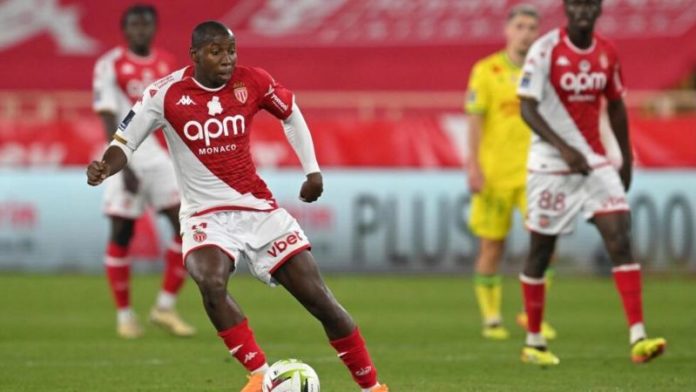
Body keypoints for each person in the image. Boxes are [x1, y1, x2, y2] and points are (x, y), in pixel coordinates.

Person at [87, 21, 388, 392]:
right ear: (195, 55)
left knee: (320, 301)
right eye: (216, 52)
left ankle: (373, 387)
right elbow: (125, 141)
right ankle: (260, 374)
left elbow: (290, 113)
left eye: (231, 51)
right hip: (204, 215)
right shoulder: (164, 94)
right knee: (210, 282)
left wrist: (312, 171)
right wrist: (106, 165)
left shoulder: (253, 81)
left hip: (258, 211)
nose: (226, 59)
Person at [516, 0, 666, 365]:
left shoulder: (607, 52)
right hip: (551, 165)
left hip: (595, 163)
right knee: (540, 251)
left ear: (598, 9)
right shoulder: (545, 50)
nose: (583, 10)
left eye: (590, 5)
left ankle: (639, 338)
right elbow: (526, 107)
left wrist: (625, 159)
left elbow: (615, 105)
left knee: (620, 240)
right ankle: (534, 342)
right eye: (577, 4)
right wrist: (564, 149)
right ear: (567, 8)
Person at [92, 4, 194, 339]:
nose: (140, 30)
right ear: (125, 29)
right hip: (125, 157)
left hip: (161, 160)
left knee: (185, 226)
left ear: (154, 28)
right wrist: (122, 165)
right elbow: (108, 116)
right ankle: (124, 316)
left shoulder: (167, 63)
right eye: (134, 24)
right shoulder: (110, 64)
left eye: (146, 24)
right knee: (122, 233)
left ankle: (164, 307)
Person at [465, 4, 556, 340]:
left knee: (546, 244)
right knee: (492, 246)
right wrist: (473, 165)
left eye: (532, 28)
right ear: (507, 31)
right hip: (495, 174)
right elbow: (475, 122)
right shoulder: (486, 71)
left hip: (538, 173)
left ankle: (530, 313)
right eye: (519, 26)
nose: (525, 33)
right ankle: (491, 318)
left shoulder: (545, 70)